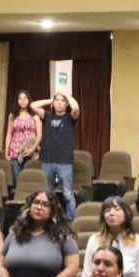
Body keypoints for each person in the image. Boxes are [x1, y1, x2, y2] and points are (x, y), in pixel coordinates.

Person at [0, 190, 80, 277]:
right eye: (36, 202)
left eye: (45, 205)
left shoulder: (63, 236)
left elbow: (72, 270)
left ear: (53, 211)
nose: (39, 207)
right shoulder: (14, 234)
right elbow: (2, 267)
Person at [81, 196, 139, 277]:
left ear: (126, 213)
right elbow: (87, 276)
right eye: (107, 210)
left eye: (117, 209)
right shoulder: (93, 240)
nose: (111, 213)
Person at [33, 92, 80, 220]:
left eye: (62, 101)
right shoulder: (48, 116)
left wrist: (66, 95)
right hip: (47, 160)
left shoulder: (70, 117)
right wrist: (51, 100)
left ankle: (70, 222)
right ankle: (47, 219)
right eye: (57, 100)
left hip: (64, 161)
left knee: (68, 194)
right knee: (46, 195)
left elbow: (76, 108)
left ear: (67, 104)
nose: (59, 103)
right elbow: (33, 105)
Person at [4, 91, 40, 181]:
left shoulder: (35, 116)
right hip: (16, 152)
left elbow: (39, 135)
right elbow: (8, 135)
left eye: (25, 98)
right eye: (20, 98)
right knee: (18, 180)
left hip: (31, 151)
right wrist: (6, 153)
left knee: (30, 180)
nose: (23, 100)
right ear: (17, 101)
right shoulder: (12, 116)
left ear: (29, 100)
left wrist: (32, 149)